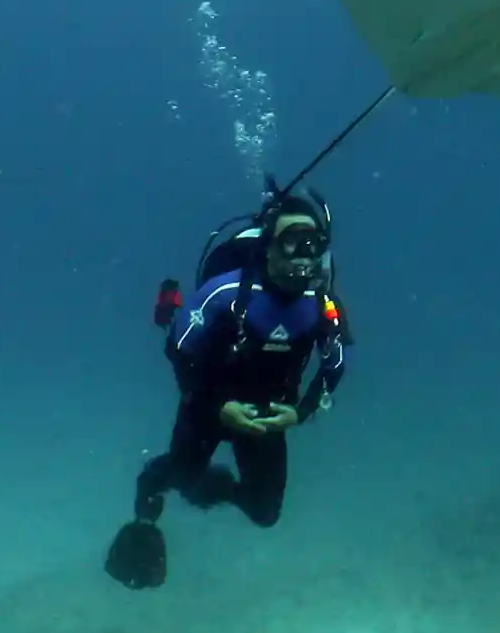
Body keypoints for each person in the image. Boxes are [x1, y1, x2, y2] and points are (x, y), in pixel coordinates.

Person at [105, 186, 350, 589]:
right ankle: (155, 481)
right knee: (183, 479)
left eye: (313, 244)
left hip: (270, 414)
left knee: (265, 513)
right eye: (291, 244)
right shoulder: (225, 293)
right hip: (207, 404)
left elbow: (335, 361)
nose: (303, 256)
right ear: (268, 248)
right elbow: (179, 352)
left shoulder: (322, 303)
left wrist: (300, 412)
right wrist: (219, 406)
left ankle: (213, 486)